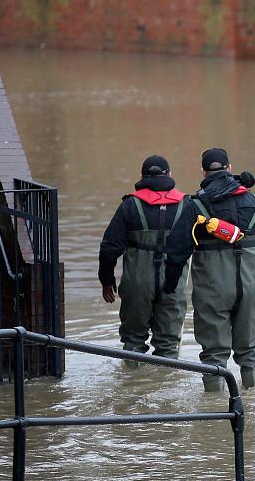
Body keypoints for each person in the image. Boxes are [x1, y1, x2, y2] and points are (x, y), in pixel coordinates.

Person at [164, 147, 255, 391]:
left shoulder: (195, 205)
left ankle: (214, 406)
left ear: (203, 171)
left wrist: (170, 286)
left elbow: (176, 251)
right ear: (230, 169)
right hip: (250, 284)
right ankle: (253, 401)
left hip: (212, 287)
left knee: (214, 354)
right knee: (249, 349)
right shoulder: (254, 201)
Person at [98, 155, 189, 363]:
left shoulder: (130, 205)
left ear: (141, 176)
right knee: (168, 345)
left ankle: (132, 381)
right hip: (173, 283)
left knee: (133, 342)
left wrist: (106, 280)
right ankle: (165, 382)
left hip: (137, 282)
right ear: (170, 174)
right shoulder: (186, 204)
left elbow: (109, 248)